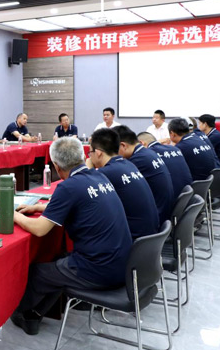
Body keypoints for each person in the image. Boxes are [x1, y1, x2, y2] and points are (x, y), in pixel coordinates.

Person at [11, 137, 131, 335]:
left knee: (37, 273)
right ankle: (37, 312)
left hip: (100, 270)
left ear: (56, 167)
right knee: (58, 260)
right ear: (83, 156)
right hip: (123, 264)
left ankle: (25, 315)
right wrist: (39, 207)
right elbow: (78, 205)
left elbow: (40, 229)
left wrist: (12, 214)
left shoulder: (68, 186)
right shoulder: (99, 176)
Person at [87, 129, 159, 240]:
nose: (89, 157)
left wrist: (88, 168)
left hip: (134, 238)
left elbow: (85, 186)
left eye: (90, 153)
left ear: (98, 153)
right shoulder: (129, 164)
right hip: (150, 235)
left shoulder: (106, 173)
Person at [113, 125, 174, 227]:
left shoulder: (137, 160)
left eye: (114, 150)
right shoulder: (147, 153)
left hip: (156, 218)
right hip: (163, 212)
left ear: (123, 145)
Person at [137, 131, 193, 201]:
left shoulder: (148, 155)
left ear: (141, 143)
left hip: (170, 200)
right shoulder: (174, 148)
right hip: (186, 196)